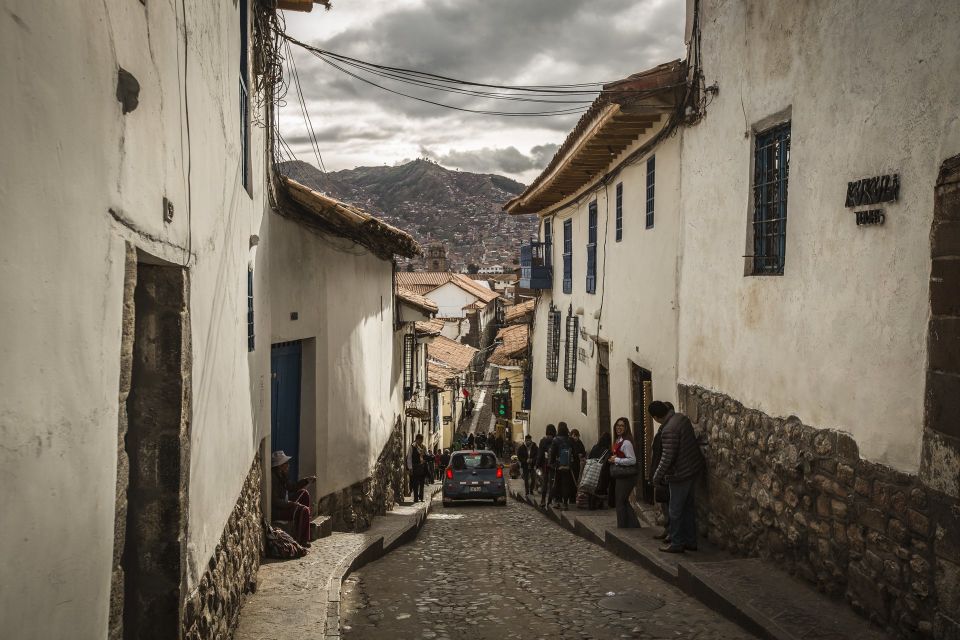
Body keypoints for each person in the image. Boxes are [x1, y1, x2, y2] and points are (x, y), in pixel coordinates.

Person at [650, 401, 705, 553]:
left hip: (680, 473)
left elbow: (667, 457)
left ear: (655, 417)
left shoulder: (668, 429)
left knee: (675, 510)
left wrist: (656, 476)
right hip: (693, 468)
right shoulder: (681, 418)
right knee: (688, 508)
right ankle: (690, 540)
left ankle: (677, 542)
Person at [271, 450, 316, 546]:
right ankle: (302, 541)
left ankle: (305, 524)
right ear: (280, 466)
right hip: (277, 511)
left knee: (304, 494)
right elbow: (275, 501)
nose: (288, 465)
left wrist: (306, 481)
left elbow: (292, 488)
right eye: (286, 463)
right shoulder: (273, 478)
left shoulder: (282, 475)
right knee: (303, 510)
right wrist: (292, 504)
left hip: (284, 505)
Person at [607, 417, 641, 528]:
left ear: (626, 428)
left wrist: (616, 460)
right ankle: (633, 525)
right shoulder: (619, 440)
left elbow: (632, 460)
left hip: (627, 476)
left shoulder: (626, 442)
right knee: (623, 501)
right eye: (617, 425)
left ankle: (622, 526)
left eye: (622, 426)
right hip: (621, 475)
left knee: (620, 502)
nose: (619, 428)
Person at [650, 402, 673, 541]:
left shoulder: (667, 430)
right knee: (664, 504)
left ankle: (671, 532)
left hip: (665, 473)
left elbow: (666, 455)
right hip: (659, 471)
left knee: (670, 505)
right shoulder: (661, 431)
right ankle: (667, 529)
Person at [550, 422, 578, 510]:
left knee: (557, 483)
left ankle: (558, 501)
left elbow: (553, 453)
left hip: (559, 465)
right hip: (568, 465)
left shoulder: (555, 440)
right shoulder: (570, 440)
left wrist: (552, 463)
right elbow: (575, 453)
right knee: (566, 484)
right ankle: (565, 503)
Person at [587, 431, 612, 510]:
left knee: (592, 486)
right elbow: (606, 463)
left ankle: (592, 503)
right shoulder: (607, 451)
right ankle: (600, 503)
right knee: (601, 488)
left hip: (592, 470)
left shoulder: (595, 447)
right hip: (601, 472)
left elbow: (589, 457)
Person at [535, 424, 556, 508]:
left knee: (545, 483)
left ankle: (543, 500)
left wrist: (537, 465)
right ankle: (550, 501)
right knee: (552, 484)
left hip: (545, 465)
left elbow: (540, 454)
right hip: (554, 465)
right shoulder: (555, 440)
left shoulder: (543, 441)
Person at [406, 434, 427, 502]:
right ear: (417, 439)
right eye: (420, 440)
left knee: (422, 483)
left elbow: (426, 455)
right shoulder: (412, 447)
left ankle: (421, 497)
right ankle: (416, 498)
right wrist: (410, 468)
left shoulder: (423, 447)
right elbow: (409, 457)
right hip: (415, 467)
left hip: (422, 467)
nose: (421, 442)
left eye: (421, 440)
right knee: (415, 483)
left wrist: (425, 457)